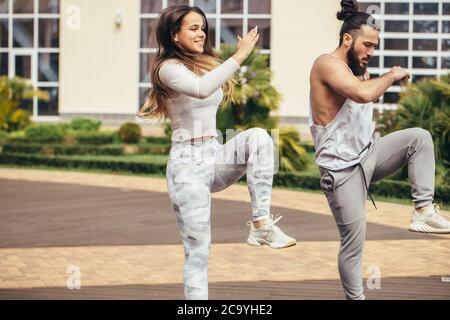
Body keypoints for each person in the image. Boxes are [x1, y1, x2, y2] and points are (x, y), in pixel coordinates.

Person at [138, 5, 296, 300]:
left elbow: (210, 84)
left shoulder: (204, 63)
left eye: (203, 27)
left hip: (214, 152)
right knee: (198, 251)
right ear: (174, 35)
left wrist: (228, 63)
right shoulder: (167, 68)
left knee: (260, 138)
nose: (202, 33)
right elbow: (199, 89)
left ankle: (261, 224)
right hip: (187, 167)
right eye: (193, 28)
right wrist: (238, 56)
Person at [309, 0, 450, 300]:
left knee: (419, 138)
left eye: (375, 47)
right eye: (368, 45)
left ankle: (423, 210)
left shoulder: (357, 68)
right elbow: (362, 94)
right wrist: (392, 74)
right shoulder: (326, 64)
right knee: (353, 245)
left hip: (368, 157)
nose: (371, 52)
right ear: (347, 38)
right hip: (342, 173)